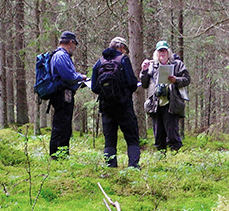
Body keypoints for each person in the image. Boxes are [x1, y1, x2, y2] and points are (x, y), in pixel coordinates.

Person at [90, 36, 140, 168]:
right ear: (122, 48)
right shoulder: (123, 60)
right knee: (132, 137)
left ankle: (110, 167)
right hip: (124, 107)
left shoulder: (99, 62)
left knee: (110, 140)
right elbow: (132, 84)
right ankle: (133, 166)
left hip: (106, 107)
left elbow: (94, 87)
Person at [140, 40, 191, 153]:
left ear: (168, 52)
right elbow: (144, 84)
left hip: (172, 104)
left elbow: (187, 79)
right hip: (156, 104)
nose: (162, 53)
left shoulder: (177, 65)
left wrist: (176, 80)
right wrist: (143, 71)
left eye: (164, 51)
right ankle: (161, 158)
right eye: (160, 51)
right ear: (156, 53)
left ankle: (175, 156)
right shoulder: (152, 66)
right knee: (158, 135)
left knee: (172, 133)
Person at [48, 30, 85, 157]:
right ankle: (57, 155)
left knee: (64, 124)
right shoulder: (61, 56)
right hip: (62, 94)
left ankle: (61, 153)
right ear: (70, 43)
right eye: (74, 45)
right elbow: (69, 76)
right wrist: (81, 77)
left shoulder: (61, 55)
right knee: (61, 125)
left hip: (64, 93)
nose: (74, 48)